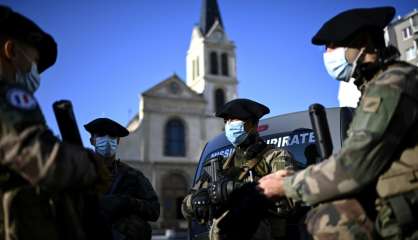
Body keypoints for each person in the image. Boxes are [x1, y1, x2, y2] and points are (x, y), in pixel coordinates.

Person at [258, 6, 418, 240]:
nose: (327, 54)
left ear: (361, 44)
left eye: (333, 46)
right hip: (398, 201)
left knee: (330, 219)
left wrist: (285, 186)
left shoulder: (392, 84)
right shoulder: (376, 86)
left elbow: (353, 167)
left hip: (406, 207)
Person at [0, 5, 110, 240]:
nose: (36, 73)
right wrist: (91, 164)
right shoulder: (6, 97)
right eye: (35, 61)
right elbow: (40, 157)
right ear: (11, 51)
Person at [182, 98, 299, 240]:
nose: (228, 126)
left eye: (233, 120)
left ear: (251, 124)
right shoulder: (218, 165)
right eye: (226, 122)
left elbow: (291, 201)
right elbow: (185, 208)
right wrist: (196, 200)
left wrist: (238, 190)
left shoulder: (276, 157)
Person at [85, 118, 160, 240]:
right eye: (101, 135)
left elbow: (154, 210)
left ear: (118, 141)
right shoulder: (80, 173)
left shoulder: (132, 176)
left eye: (112, 136)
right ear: (92, 140)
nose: (107, 140)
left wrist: (126, 202)